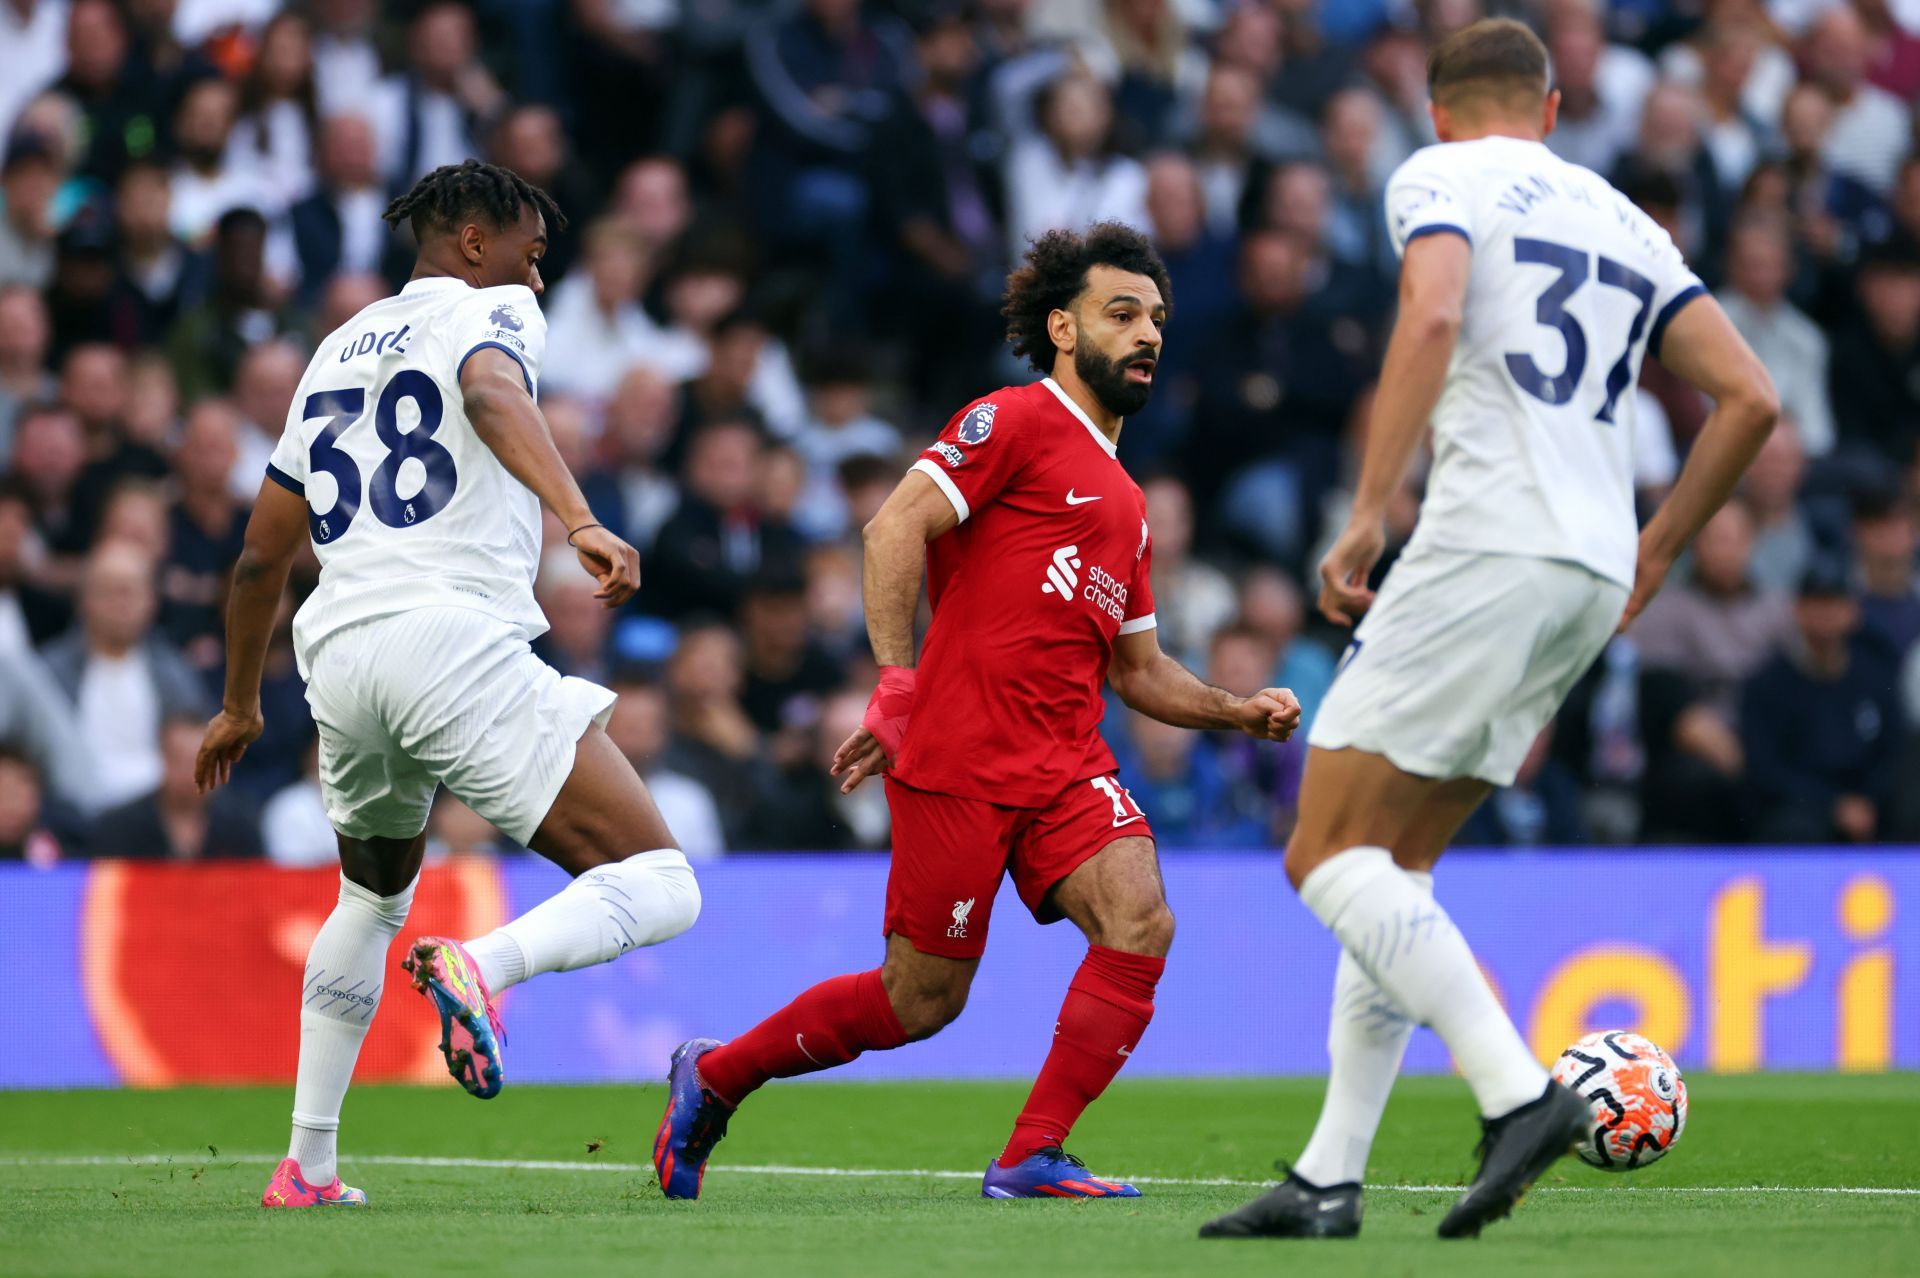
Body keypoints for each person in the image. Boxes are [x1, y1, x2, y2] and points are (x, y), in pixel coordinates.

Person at [1202, 20, 1776, 1242]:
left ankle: (1519, 1093)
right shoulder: (1625, 216)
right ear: (1557, 109)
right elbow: (1752, 398)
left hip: (1482, 542)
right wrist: (1659, 549)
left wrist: (1366, 512)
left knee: (1321, 855)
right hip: (1587, 567)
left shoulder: (1443, 174)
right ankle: (1326, 1179)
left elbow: (1431, 314)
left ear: (1441, 108)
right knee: (1392, 868)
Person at [653, 221, 1300, 1200]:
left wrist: (1234, 709)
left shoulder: (1127, 503)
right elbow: (893, 526)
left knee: (1141, 922)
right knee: (919, 1003)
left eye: (1158, 318)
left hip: (1068, 763)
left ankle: (1031, 1153)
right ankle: (718, 1073)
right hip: (958, 757)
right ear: (1063, 327)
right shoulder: (1015, 421)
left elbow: (1140, 670)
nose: (1148, 335)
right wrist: (896, 684)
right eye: (1121, 313)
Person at [194, 160, 701, 1211]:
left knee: (371, 896)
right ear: (476, 244)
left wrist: (243, 702)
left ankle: (307, 1165)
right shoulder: (495, 309)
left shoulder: (332, 350)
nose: (540, 278)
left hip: (338, 652)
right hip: (450, 639)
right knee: (663, 885)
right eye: (532, 251)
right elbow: (485, 389)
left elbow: (257, 561)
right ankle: (484, 967)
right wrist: (581, 517)